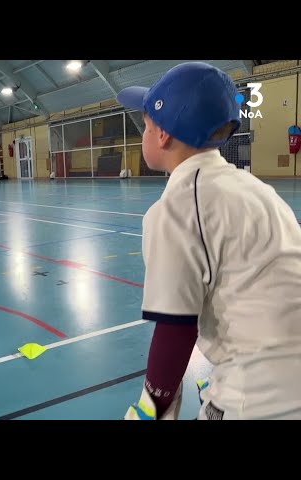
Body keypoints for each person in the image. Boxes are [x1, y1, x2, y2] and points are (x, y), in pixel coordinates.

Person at [118, 62, 301, 420]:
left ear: (163, 135)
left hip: (261, 396)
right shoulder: (256, 189)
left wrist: (151, 408)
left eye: (146, 125)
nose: (144, 133)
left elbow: (175, 329)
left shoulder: (176, 208)